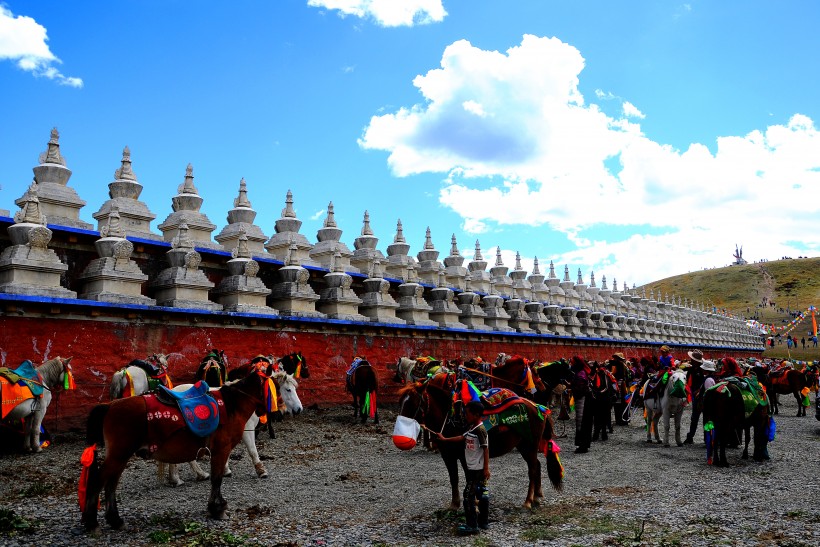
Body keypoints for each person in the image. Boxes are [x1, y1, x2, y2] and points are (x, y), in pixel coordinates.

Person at [435, 400, 490, 535]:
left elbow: (486, 449)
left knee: (467, 497)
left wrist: (486, 468)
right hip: (474, 468)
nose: (465, 416)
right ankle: (483, 522)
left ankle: (472, 526)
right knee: (482, 494)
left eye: (467, 414)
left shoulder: (480, 430)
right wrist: (444, 439)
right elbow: (461, 437)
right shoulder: (472, 428)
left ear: (476, 415)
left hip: (477, 470)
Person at [684, 349, 706, 444]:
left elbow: (703, 383)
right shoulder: (692, 369)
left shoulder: (700, 371)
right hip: (695, 394)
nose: (690, 360)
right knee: (696, 417)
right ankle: (692, 436)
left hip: (699, 396)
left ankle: (691, 437)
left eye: (692, 359)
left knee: (696, 417)